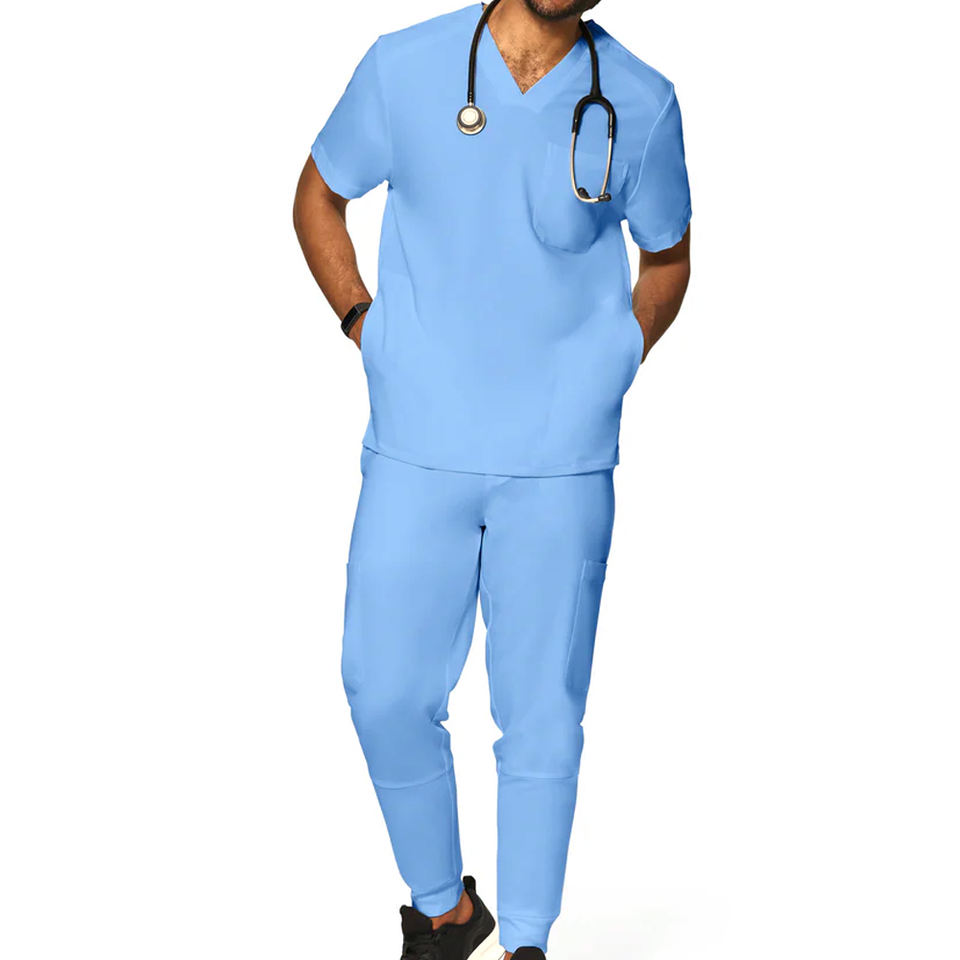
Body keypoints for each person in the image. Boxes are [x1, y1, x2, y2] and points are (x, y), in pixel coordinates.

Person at [293, 0, 691, 956]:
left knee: (542, 717)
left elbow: (669, 256)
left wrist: (613, 364)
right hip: (418, 442)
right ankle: (445, 909)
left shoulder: (643, 100)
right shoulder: (404, 66)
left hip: (560, 460)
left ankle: (527, 942)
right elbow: (317, 194)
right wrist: (364, 325)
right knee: (383, 690)